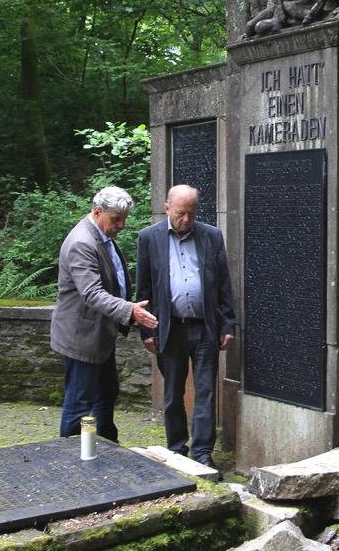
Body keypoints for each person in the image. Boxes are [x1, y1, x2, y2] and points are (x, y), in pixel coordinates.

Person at [136, 185, 236, 468]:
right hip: (169, 328)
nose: (187, 219)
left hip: (205, 327)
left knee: (205, 391)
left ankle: (202, 452)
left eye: (192, 213)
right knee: (173, 393)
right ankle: (176, 448)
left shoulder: (211, 236)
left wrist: (228, 324)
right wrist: (148, 331)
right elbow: (143, 289)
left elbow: (223, 285)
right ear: (167, 208)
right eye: (181, 213)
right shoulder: (149, 238)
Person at [52, 186, 158, 441]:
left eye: (124, 218)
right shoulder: (82, 242)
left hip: (99, 335)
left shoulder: (101, 235)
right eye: (116, 219)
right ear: (97, 212)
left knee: (106, 393)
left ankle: (107, 445)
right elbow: (92, 293)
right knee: (79, 403)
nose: (121, 225)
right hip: (81, 338)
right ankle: (67, 458)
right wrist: (129, 310)